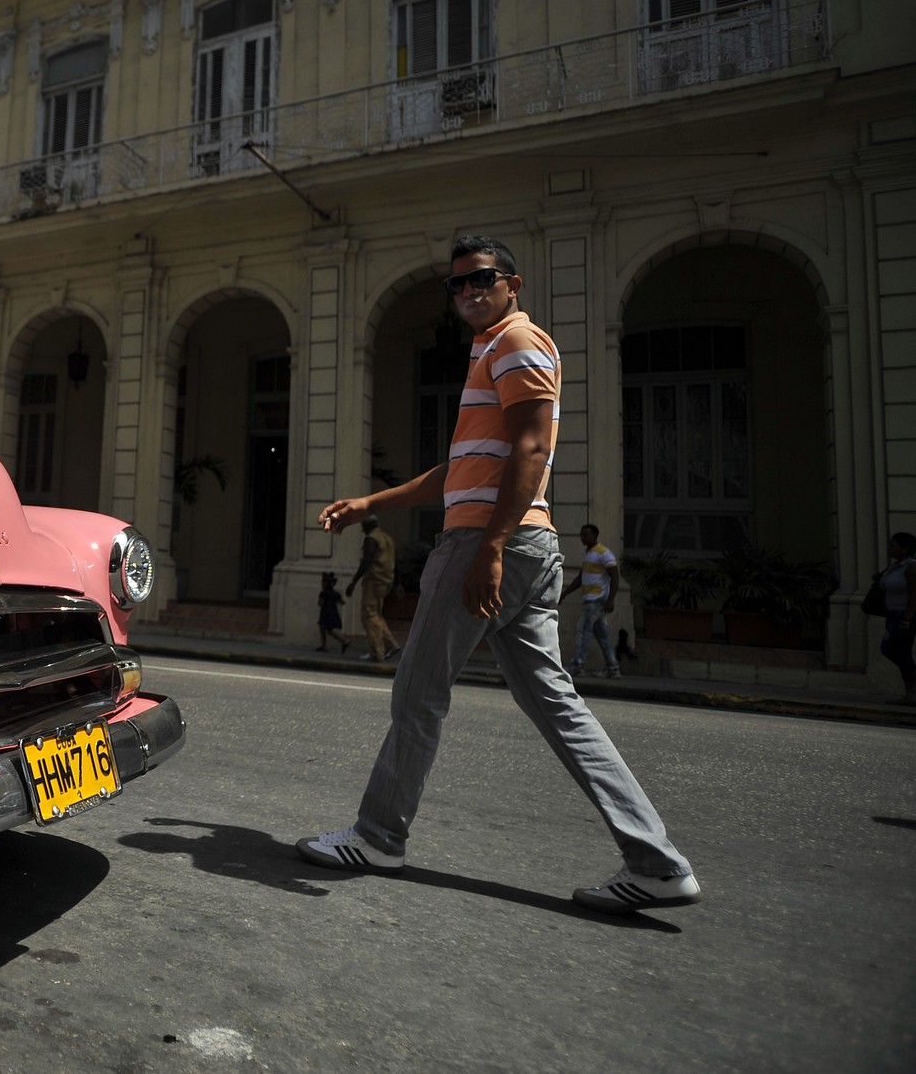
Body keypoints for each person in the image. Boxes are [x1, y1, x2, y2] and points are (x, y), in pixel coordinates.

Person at [297, 236, 701, 914]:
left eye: (481, 279)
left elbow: (532, 447)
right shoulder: (493, 350)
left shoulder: (516, 341)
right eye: (456, 285)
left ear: (512, 283)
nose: (468, 292)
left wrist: (490, 546)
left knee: (418, 694)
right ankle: (658, 864)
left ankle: (378, 837)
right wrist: (372, 503)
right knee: (558, 707)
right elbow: (460, 468)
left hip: (492, 544)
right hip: (521, 549)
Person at [876, 532, 916, 706]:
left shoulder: (914, 566)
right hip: (894, 613)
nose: (889, 549)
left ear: (905, 549)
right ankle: (911, 694)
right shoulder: (896, 566)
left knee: (889, 649)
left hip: (909, 614)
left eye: (893, 545)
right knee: (903, 652)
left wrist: (907, 618)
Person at [559, 524, 620, 677]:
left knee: (583, 631)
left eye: (586, 535)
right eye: (582, 535)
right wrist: (565, 593)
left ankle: (578, 665)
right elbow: (581, 578)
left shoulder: (604, 553)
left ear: (595, 536)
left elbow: (615, 576)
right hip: (592, 600)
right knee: (602, 635)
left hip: (596, 599)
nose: (583, 538)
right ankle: (613, 668)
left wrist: (611, 600)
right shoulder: (589, 554)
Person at [346, 515, 400, 662]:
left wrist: (353, 582)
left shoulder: (371, 539)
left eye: (363, 526)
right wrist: (397, 583)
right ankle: (391, 645)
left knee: (369, 616)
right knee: (376, 615)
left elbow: (366, 562)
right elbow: (395, 562)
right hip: (386, 581)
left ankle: (377, 652)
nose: (362, 530)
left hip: (373, 581)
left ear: (368, 526)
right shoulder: (387, 538)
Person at [317, 572, 349, 654]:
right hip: (333, 612)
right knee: (327, 629)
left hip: (325, 613)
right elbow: (342, 602)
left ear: (325, 584)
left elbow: (320, 603)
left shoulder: (323, 593)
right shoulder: (335, 593)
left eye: (323, 582)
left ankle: (344, 641)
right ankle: (325, 645)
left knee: (327, 629)